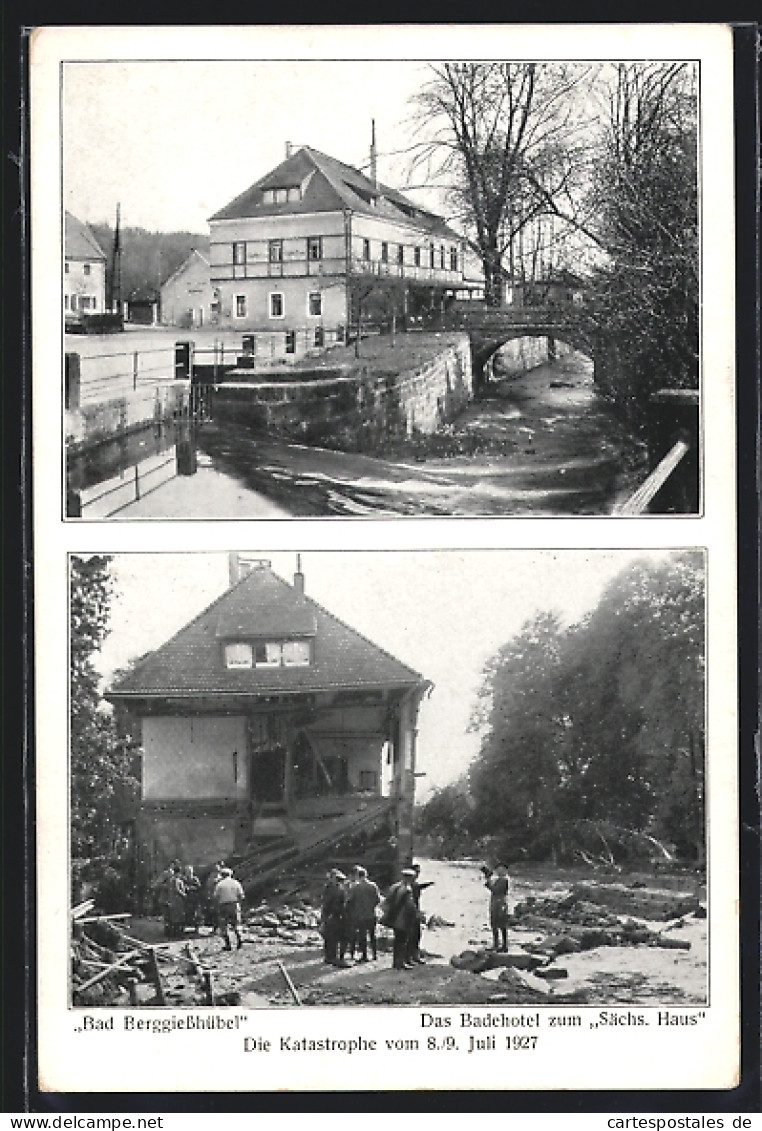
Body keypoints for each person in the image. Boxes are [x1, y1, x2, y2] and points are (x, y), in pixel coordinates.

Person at [383, 868, 419, 970]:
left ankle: (396, 962)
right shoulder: (407, 889)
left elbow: (387, 901)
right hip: (403, 918)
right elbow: (409, 906)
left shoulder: (395, 887)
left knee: (397, 940)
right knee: (402, 940)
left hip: (395, 917)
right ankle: (400, 962)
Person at [346, 865, 380, 962]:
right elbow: (377, 900)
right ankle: (374, 954)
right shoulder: (373, 886)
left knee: (362, 935)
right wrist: (371, 906)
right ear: (366, 875)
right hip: (371, 914)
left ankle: (364, 955)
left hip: (360, 915)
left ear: (358, 876)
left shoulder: (355, 888)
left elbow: (350, 901)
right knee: (373, 935)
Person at [321, 869, 350, 967]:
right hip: (335, 915)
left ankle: (329, 957)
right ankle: (332, 957)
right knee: (333, 937)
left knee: (329, 937)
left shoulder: (329, 887)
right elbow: (332, 903)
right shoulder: (336, 889)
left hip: (330, 915)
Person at [408, 862, 434, 964]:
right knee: (414, 935)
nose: (418, 874)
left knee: (415, 934)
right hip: (412, 912)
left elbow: (418, 887)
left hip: (413, 911)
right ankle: (413, 957)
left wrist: (427, 884)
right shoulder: (411, 885)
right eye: (417, 872)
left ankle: (413, 956)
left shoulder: (412, 884)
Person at [213, 866, 245, 950]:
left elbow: (216, 896)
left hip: (223, 906)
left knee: (224, 926)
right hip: (234, 905)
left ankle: (228, 944)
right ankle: (240, 941)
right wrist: (238, 904)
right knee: (236, 924)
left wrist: (217, 906)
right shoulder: (236, 883)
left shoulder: (219, 884)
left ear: (222, 875)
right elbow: (241, 896)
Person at [484, 864, 511, 952]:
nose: (499, 871)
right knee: (495, 924)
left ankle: (501, 945)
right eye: (498, 869)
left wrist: (488, 880)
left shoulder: (504, 880)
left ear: (505, 871)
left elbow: (495, 890)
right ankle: (499, 944)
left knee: (500, 925)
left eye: (501, 870)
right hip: (497, 903)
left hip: (500, 904)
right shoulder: (500, 880)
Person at [164, 861, 187, 939]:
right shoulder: (177, 880)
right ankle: (178, 934)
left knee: (173, 917)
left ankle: (173, 933)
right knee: (178, 917)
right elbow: (177, 890)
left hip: (172, 900)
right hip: (178, 901)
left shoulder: (171, 880)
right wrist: (184, 895)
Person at [182, 864, 202, 930]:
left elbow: (198, 886)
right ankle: (184, 927)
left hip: (194, 898)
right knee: (185, 912)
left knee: (195, 913)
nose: (189, 873)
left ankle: (196, 928)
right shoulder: (183, 879)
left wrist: (190, 888)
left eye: (190, 871)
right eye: (187, 871)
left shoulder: (195, 879)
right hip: (186, 898)